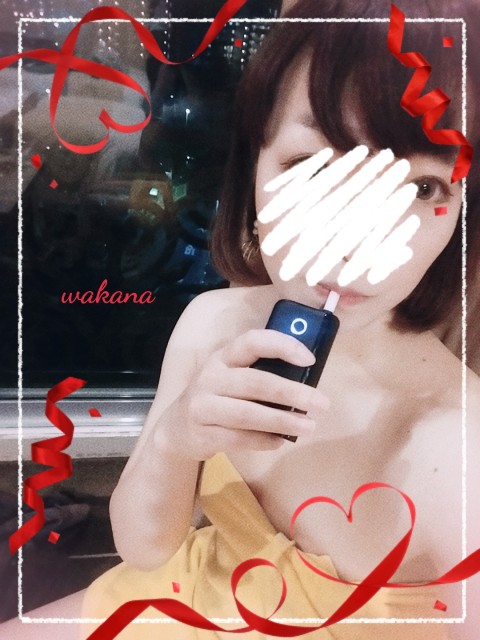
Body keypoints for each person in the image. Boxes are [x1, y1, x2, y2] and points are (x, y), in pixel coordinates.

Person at [81, 0, 480, 638]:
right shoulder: (212, 323)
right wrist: (175, 440)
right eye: (314, 166)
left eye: (421, 188)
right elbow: (146, 550)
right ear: (253, 168)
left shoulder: (460, 450)